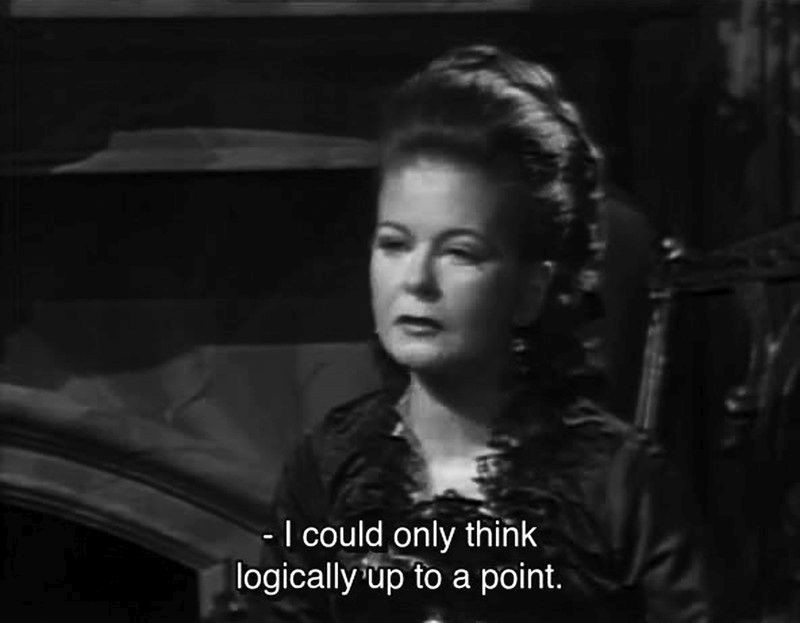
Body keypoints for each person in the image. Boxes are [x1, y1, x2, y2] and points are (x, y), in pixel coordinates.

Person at [257, 45, 713, 622]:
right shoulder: (327, 465)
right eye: (395, 244)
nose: (416, 280)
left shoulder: (621, 486)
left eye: (460, 253)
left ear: (530, 290)